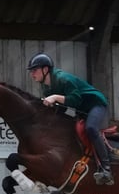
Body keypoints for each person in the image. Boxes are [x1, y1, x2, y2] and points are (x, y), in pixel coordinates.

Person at [27, 52, 114, 185]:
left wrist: (55, 97)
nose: (32, 74)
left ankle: (107, 168)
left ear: (45, 69)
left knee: (91, 128)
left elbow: (75, 100)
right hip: (81, 109)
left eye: (35, 70)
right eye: (31, 71)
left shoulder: (64, 79)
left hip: (95, 104)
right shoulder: (46, 87)